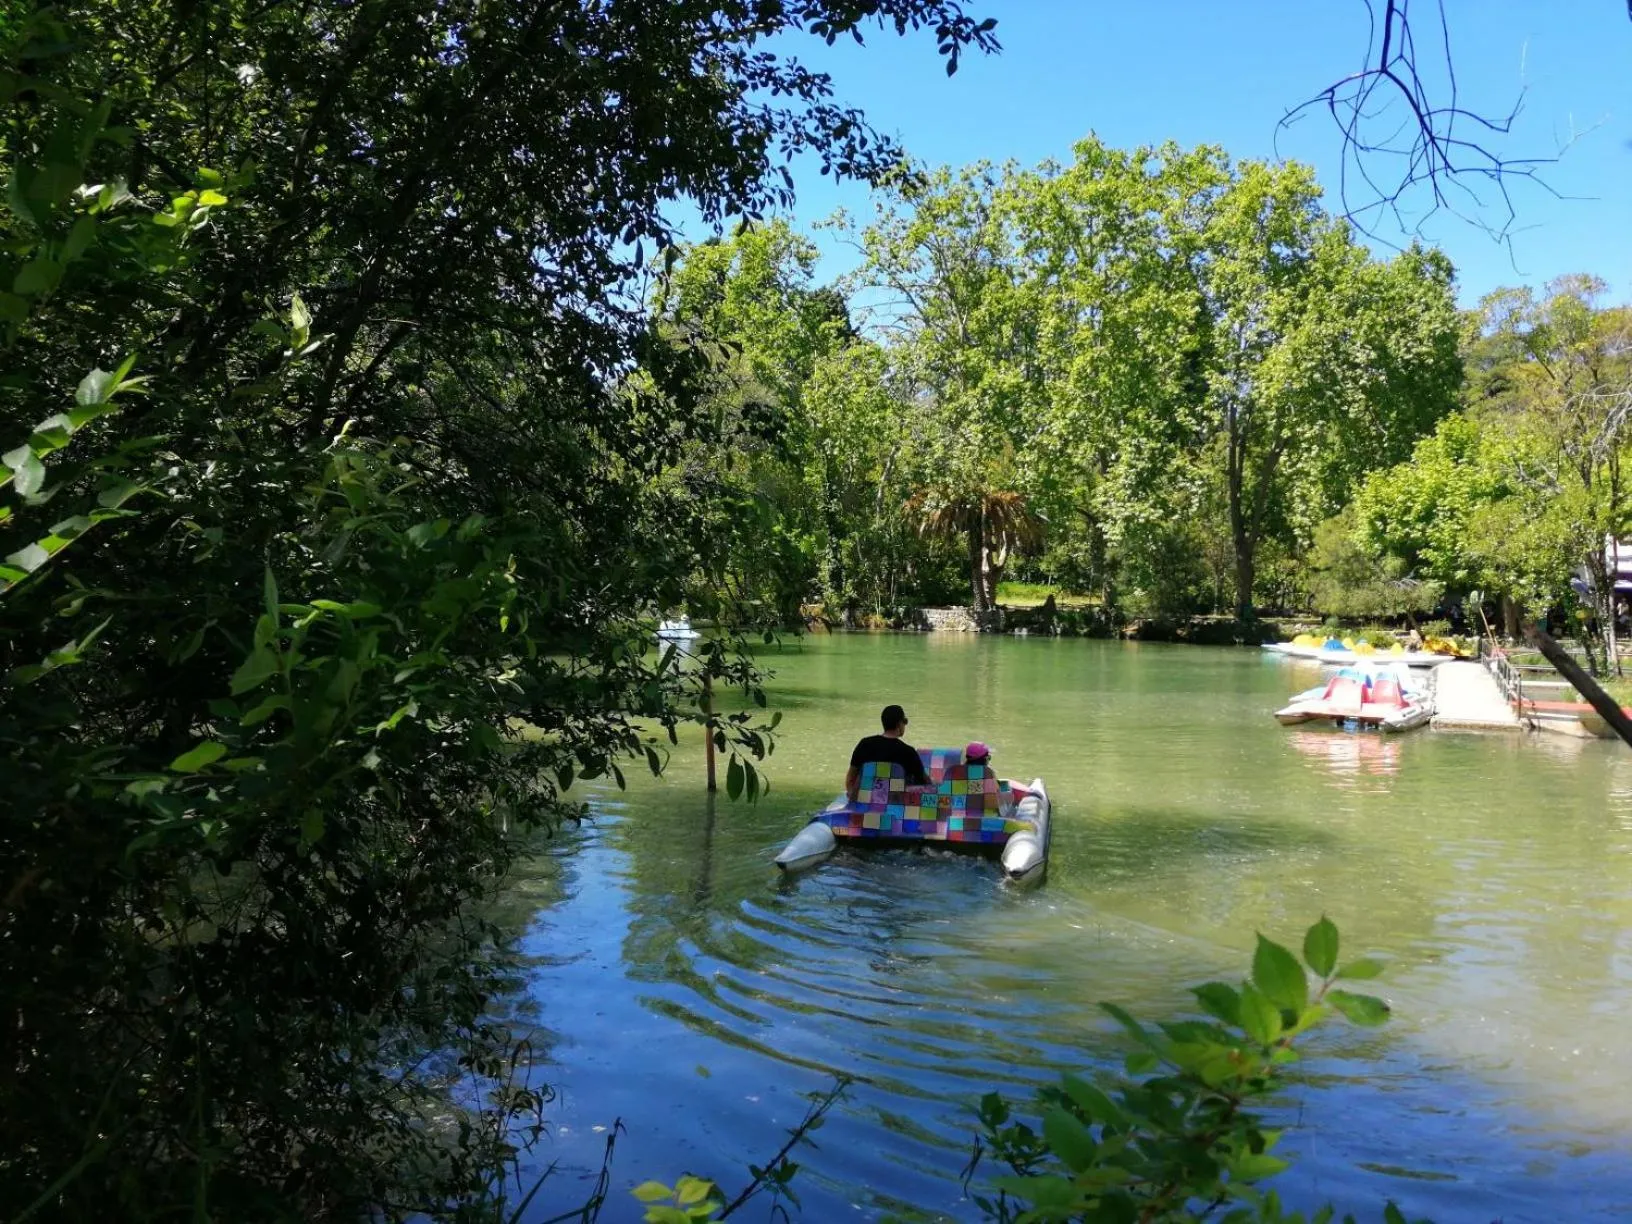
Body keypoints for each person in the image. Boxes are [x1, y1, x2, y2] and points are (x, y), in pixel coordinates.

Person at [846, 704, 928, 799]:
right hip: (895, 803)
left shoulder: (864, 744)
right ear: (899, 724)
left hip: (866, 801)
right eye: (905, 721)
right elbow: (925, 783)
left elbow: (850, 779)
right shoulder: (908, 752)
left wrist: (852, 797)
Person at [965, 741, 1033, 800]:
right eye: (989, 757)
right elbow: (995, 792)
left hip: (964, 806)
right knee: (1007, 790)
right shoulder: (987, 773)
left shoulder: (960, 772)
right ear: (986, 759)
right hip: (985, 807)